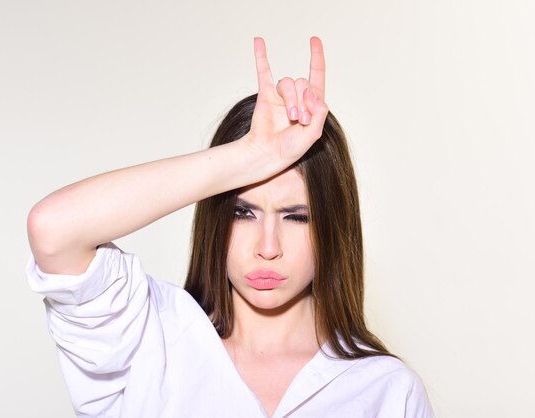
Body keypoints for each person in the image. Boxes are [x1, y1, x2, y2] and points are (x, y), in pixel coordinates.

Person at [26, 37, 434, 418]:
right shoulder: (147, 339)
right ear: (216, 216)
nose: (267, 247)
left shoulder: (388, 391)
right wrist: (250, 157)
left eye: (296, 216)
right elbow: (53, 229)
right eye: (243, 213)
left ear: (333, 227)